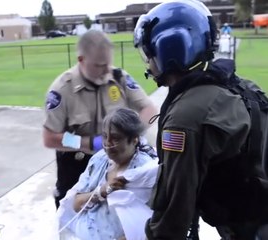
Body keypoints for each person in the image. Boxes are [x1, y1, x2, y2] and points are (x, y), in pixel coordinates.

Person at [133, 1, 268, 240]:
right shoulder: (243, 87)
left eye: (149, 53)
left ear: (167, 48)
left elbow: (173, 214)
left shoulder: (184, 118)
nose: (149, 62)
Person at [42, 29, 157, 208]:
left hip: (117, 162)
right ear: (81, 60)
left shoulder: (118, 78)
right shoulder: (62, 89)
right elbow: (50, 138)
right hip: (77, 166)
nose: (106, 71)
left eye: (108, 64)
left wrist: (132, 136)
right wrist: (88, 143)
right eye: (99, 66)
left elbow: (149, 110)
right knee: (72, 215)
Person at [57, 108, 159, 240]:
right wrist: (101, 192)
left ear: (134, 140)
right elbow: (76, 205)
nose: (107, 144)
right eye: (105, 136)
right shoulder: (99, 160)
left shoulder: (146, 172)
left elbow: (148, 223)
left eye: (115, 138)